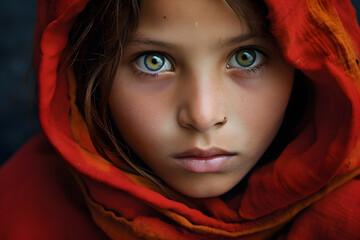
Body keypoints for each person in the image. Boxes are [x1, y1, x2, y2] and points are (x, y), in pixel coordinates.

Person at [1, 0, 359, 239]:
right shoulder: (16, 213)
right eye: (153, 61)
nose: (203, 117)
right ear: (85, 72)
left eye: (246, 57)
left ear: (304, 65)